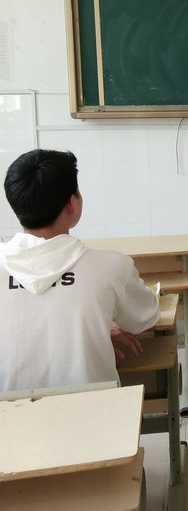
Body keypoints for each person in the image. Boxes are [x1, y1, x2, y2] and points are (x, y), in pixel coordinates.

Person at [0, 149, 160, 391]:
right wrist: (99, 322)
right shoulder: (111, 266)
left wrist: (96, 322)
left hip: (10, 412)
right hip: (93, 409)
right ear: (72, 204)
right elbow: (145, 316)